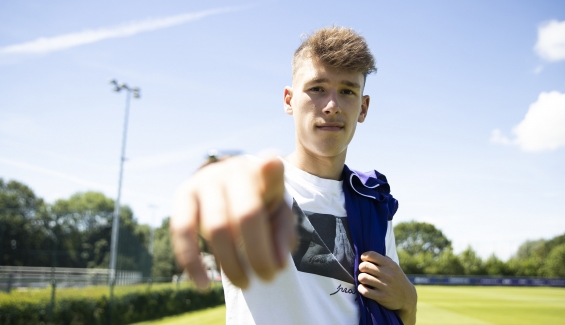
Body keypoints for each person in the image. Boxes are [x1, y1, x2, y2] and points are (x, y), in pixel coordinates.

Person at [170, 26, 417, 325]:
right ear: (289, 100)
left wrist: (408, 303)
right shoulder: (263, 186)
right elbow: (227, 184)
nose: (331, 106)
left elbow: (391, 313)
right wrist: (207, 185)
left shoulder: (373, 202)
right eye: (317, 88)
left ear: (363, 108)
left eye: (348, 91)